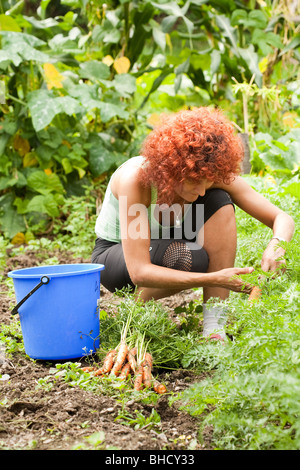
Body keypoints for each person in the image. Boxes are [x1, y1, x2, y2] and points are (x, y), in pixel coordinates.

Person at [91, 107, 295, 341]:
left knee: (219, 200)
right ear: (172, 169)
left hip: (170, 246)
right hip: (117, 258)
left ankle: (214, 330)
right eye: (194, 182)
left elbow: (283, 218)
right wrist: (213, 278)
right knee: (187, 256)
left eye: (207, 181)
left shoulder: (206, 176)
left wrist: (278, 246)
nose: (201, 191)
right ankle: (135, 310)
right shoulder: (136, 181)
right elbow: (139, 272)